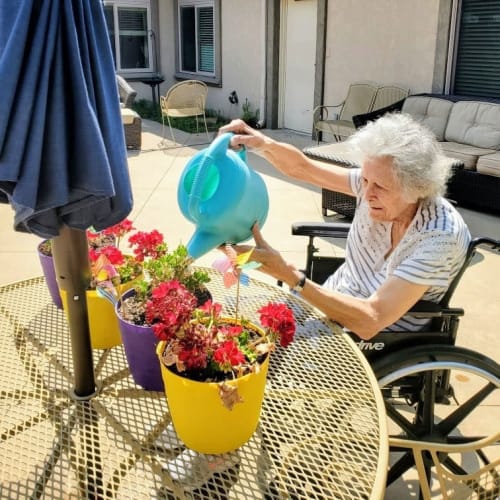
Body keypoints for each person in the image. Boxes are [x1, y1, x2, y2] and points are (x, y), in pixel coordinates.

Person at [218, 113, 471, 340]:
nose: (366, 192)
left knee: (261, 353)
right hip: (330, 299)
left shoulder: (438, 237)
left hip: (372, 336)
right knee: (236, 323)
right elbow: (303, 167)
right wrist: (261, 143)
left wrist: (288, 274)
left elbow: (371, 319)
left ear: (415, 189)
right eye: (364, 179)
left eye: (379, 187)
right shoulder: (374, 181)